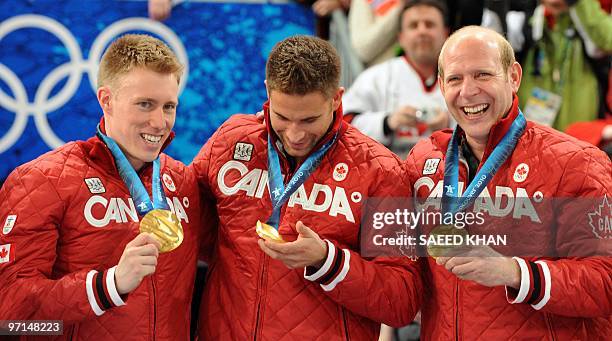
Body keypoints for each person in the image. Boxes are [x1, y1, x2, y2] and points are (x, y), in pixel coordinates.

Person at [191, 35, 422, 340]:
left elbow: (402, 301)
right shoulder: (232, 141)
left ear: (337, 98)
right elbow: (194, 227)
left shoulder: (381, 169)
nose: (295, 134)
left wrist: (328, 261)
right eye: (282, 117)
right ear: (267, 93)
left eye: (309, 119)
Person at [405, 26, 611, 339]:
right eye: (455, 79)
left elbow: (604, 283)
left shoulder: (577, 162)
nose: (469, 91)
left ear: (513, 77)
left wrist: (515, 272)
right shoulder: (423, 161)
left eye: (482, 75)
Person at [0, 34, 203, 339]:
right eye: (145, 104)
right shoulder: (43, 180)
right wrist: (108, 286)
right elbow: (11, 316)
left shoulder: (184, 182)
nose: (160, 122)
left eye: (169, 106)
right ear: (106, 100)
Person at [343, 0, 451, 156]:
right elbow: (343, 123)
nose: (422, 31)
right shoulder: (377, 77)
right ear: (401, 37)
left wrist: (450, 125)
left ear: (446, 33)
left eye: (429, 25)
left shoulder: (462, 77)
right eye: (413, 25)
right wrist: (387, 122)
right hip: (389, 173)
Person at [517, 0, 612, 131]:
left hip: (580, 114)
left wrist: (577, 3)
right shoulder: (529, 18)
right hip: (533, 116)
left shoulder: (588, 14)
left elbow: (607, 40)